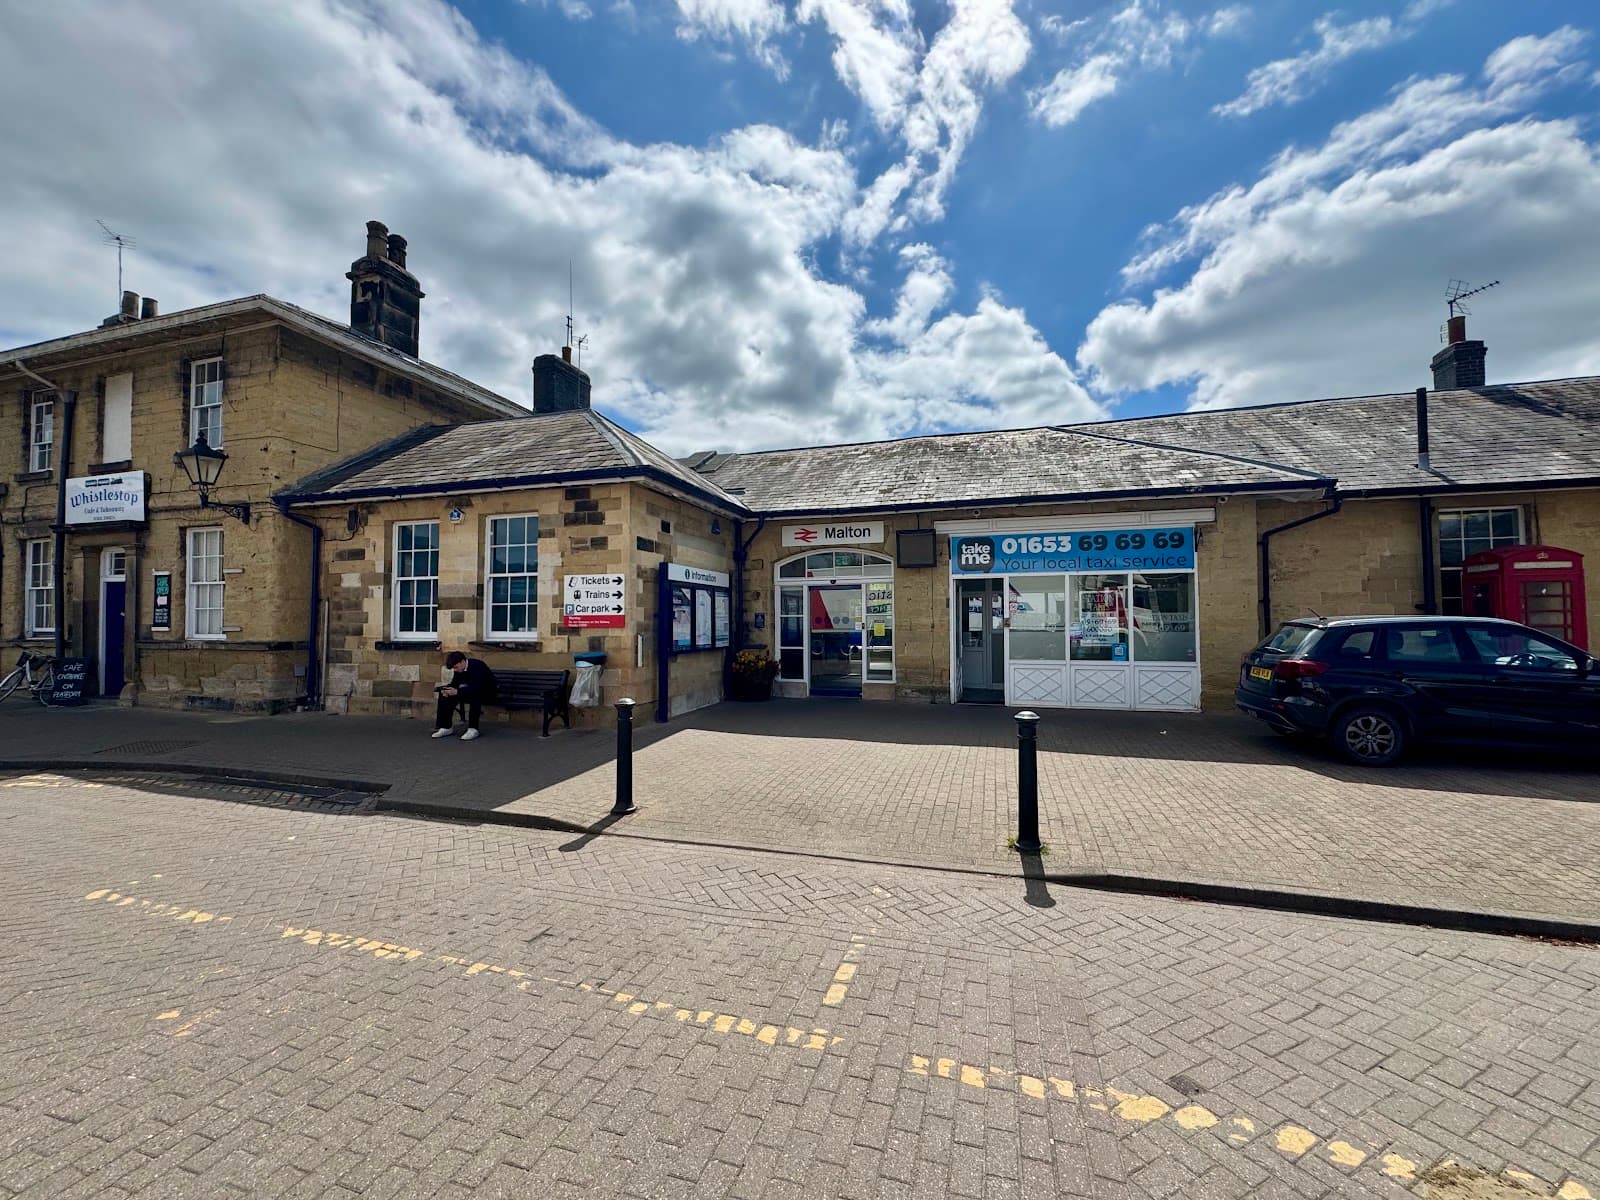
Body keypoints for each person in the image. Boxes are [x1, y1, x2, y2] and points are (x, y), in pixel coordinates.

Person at [432, 651, 497, 740]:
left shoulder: (477, 666)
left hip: (488, 693)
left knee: (475, 696)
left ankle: (473, 728)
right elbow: (455, 683)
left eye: (456, 667)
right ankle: (446, 727)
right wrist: (448, 690)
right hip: (470, 690)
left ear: (462, 662)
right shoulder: (459, 669)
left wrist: (457, 691)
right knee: (445, 695)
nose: (455, 670)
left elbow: (478, 687)